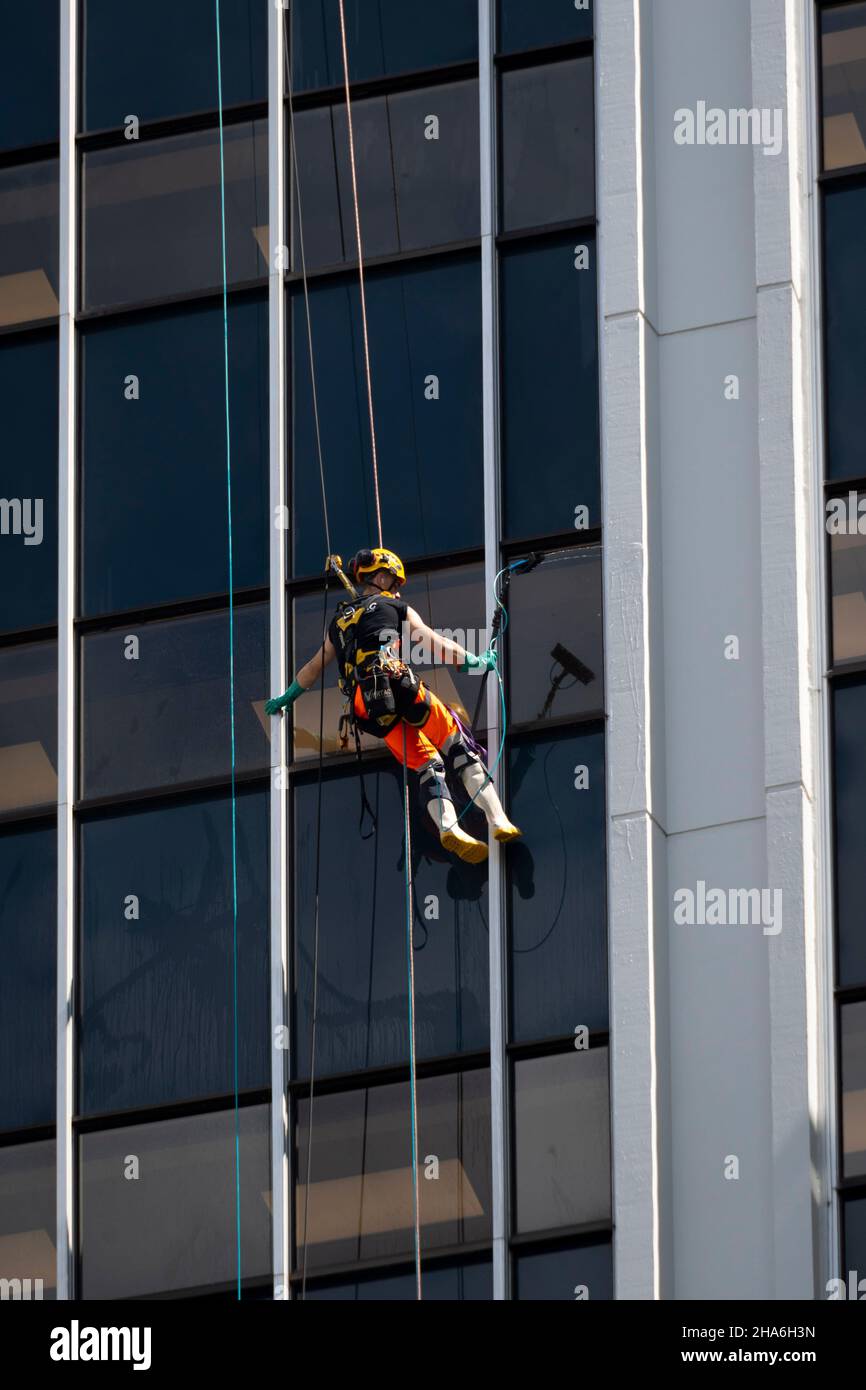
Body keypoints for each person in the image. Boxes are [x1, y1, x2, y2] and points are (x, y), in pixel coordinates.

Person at [265, 547, 521, 864]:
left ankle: (448, 826)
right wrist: (476, 662)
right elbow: (433, 642)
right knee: (458, 746)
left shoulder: (338, 623)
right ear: (382, 577)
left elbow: (313, 668)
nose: (398, 589)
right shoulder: (394, 605)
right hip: (397, 683)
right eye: (395, 582)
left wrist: (286, 698)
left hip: (365, 707)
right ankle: (498, 820)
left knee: (428, 766)